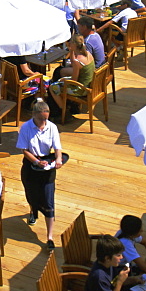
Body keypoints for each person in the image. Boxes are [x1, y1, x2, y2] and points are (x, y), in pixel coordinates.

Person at [16, 98, 63, 249]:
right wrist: (36, 161)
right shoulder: (26, 128)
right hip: (31, 166)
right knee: (32, 194)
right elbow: (24, 150)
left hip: (47, 166)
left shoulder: (52, 127)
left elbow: (57, 147)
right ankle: (33, 210)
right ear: (34, 116)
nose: (44, 123)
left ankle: (49, 237)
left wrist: (59, 159)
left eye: (46, 119)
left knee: (49, 201)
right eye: (41, 119)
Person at [47, 34, 94, 121]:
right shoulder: (88, 54)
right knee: (60, 79)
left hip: (81, 89)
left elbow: (74, 81)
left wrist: (63, 80)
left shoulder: (77, 61)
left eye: (70, 43)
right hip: (87, 84)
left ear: (74, 44)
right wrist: (72, 50)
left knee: (52, 88)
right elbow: (73, 63)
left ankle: (63, 111)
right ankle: (66, 105)